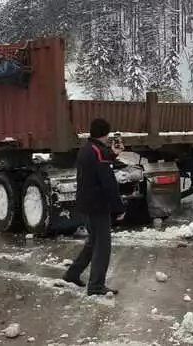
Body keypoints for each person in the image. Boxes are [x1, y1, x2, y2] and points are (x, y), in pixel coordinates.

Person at [63, 118, 126, 295]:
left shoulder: (86, 149)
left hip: (86, 204)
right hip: (98, 205)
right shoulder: (99, 152)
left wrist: (113, 154)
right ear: (105, 134)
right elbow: (108, 183)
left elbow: (98, 162)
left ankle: (72, 274)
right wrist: (119, 208)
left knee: (93, 242)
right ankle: (96, 285)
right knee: (102, 246)